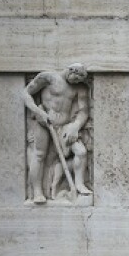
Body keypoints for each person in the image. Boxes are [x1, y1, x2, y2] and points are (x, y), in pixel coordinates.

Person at [22, 63, 92, 203]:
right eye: (75, 79)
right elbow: (26, 94)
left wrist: (76, 126)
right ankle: (37, 192)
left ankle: (79, 184)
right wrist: (37, 112)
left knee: (81, 152)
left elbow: (84, 111)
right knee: (39, 154)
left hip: (65, 126)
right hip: (43, 123)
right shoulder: (48, 78)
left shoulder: (80, 87)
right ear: (70, 71)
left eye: (79, 81)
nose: (76, 83)